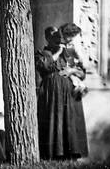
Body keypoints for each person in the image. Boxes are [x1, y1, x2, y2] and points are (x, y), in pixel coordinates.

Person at [36, 24, 89, 160]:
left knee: (68, 122)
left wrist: (71, 70)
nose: (57, 38)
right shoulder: (42, 53)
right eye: (53, 36)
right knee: (54, 121)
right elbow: (45, 66)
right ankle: (53, 155)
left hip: (68, 94)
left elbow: (82, 73)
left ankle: (70, 155)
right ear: (47, 38)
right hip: (51, 93)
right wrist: (59, 52)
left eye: (58, 36)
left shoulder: (68, 53)